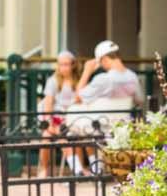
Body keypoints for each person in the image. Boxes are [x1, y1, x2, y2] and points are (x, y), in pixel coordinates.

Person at [68, 40, 144, 174]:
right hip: (122, 126)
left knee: (72, 125)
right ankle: (96, 168)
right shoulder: (133, 77)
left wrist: (87, 71)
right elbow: (140, 100)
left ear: (104, 59)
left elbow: (78, 97)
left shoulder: (104, 79)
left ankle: (89, 168)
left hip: (100, 125)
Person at [38, 51, 80, 177]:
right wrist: (49, 123)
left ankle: (79, 168)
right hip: (55, 119)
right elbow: (48, 104)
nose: (64, 68)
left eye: (67, 64)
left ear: (73, 65)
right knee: (46, 137)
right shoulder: (53, 81)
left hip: (72, 118)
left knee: (74, 138)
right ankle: (45, 169)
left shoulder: (78, 81)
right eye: (61, 64)